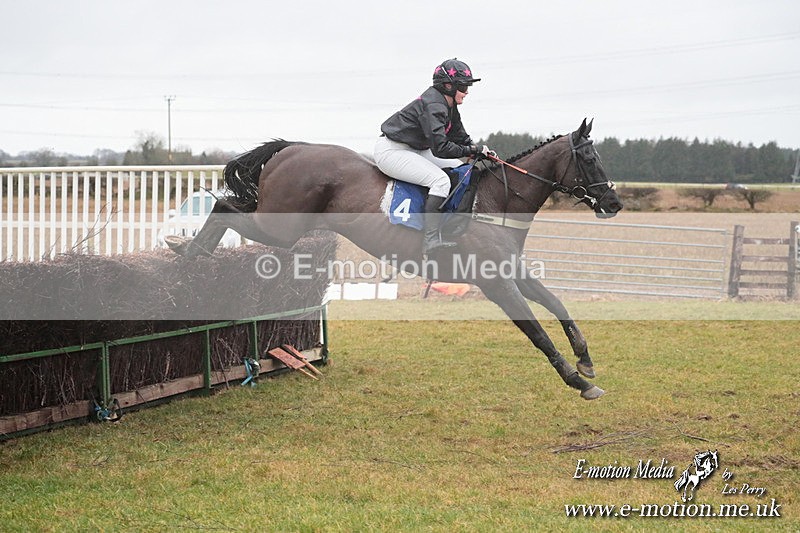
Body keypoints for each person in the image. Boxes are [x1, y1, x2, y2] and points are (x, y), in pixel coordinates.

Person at [374, 58, 493, 255]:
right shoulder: (434, 105)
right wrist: (470, 150)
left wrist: (478, 149)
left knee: (459, 168)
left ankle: (450, 224)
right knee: (440, 181)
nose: (467, 92)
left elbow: (459, 136)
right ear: (448, 85)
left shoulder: (449, 105)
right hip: (392, 151)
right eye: (463, 86)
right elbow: (441, 148)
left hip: (416, 149)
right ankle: (430, 240)